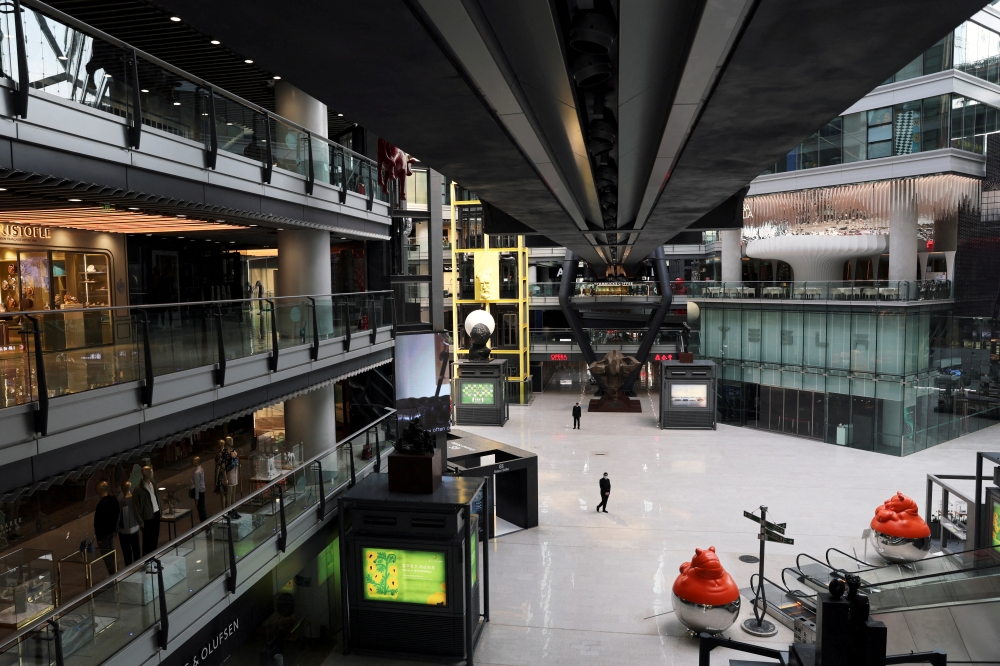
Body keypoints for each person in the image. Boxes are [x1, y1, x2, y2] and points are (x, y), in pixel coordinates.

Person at [133, 466, 162, 556]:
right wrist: (140, 521)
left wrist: (160, 509)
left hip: (156, 514)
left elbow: (156, 497)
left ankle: (154, 557)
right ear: (145, 473)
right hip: (147, 517)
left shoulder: (153, 483)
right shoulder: (138, 489)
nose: (152, 473)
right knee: (147, 540)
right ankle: (147, 560)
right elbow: (136, 507)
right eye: (150, 471)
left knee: (155, 537)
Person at [93, 481, 120, 575]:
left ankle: (113, 574)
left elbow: (99, 522)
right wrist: (115, 529)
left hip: (103, 534)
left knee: (107, 556)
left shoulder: (101, 504)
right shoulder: (113, 500)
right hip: (111, 531)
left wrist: (99, 537)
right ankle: (116, 572)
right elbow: (117, 515)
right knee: (112, 552)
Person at [118, 481, 142, 565]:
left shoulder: (120, 503)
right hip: (135, 528)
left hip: (124, 531)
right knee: (136, 550)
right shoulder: (135, 499)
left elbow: (118, 518)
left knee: (127, 553)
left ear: (122, 489)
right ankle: (138, 566)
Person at [190, 456, 207, 522]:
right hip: (202, 490)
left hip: (199, 492)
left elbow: (197, 485)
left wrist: (196, 497)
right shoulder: (201, 469)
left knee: (200, 509)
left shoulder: (196, 473)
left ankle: (203, 522)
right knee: (202, 508)